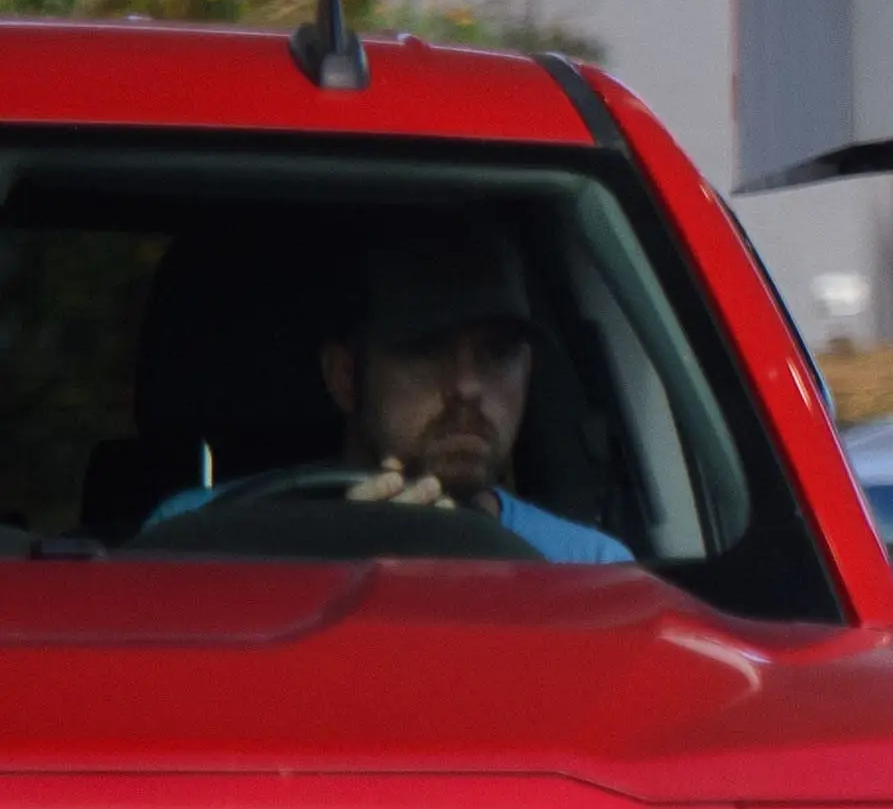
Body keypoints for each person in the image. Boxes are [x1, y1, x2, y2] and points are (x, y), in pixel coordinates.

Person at [148, 220, 629, 562]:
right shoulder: (200, 536)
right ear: (344, 377)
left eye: (497, 354)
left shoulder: (586, 570)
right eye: (425, 351)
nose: (467, 386)